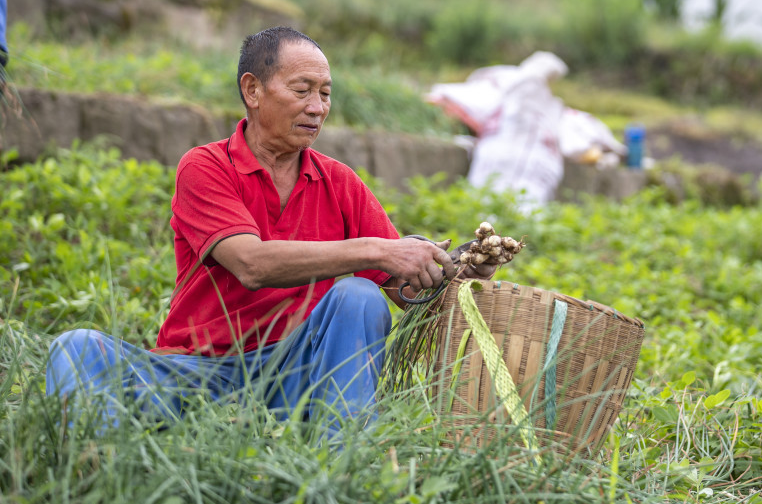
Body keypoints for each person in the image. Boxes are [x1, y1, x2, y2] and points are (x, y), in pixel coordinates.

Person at [45, 26, 491, 433]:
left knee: (358, 296)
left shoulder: (339, 182)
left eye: (325, 94)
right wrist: (377, 251)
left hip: (292, 380)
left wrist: (458, 271)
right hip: (196, 373)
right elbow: (251, 263)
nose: (317, 108)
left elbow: (401, 289)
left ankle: (345, 460)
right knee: (78, 347)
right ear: (253, 90)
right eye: (302, 90)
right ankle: (92, 461)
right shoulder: (206, 166)